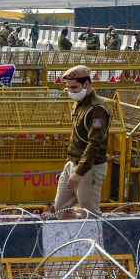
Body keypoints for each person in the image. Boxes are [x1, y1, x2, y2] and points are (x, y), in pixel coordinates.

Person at [54, 65, 109, 217]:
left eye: (74, 87)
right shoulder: (80, 104)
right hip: (74, 163)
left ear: (86, 84)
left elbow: (94, 144)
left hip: (89, 167)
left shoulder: (96, 109)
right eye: (68, 88)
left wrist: (78, 173)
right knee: (61, 209)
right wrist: (69, 165)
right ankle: (76, 237)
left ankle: (92, 238)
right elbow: (76, 138)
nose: (70, 91)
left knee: (90, 214)